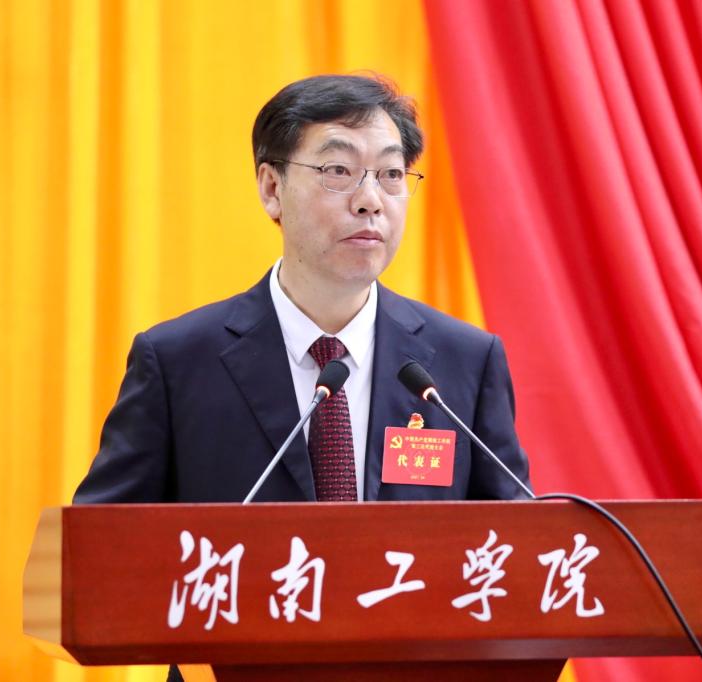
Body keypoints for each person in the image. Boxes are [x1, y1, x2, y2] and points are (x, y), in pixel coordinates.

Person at [73, 73, 531, 507]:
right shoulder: (177, 363)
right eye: (338, 170)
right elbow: (101, 543)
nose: (370, 200)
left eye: (391, 174)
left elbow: (516, 539)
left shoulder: (464, 363)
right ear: (272, 188)